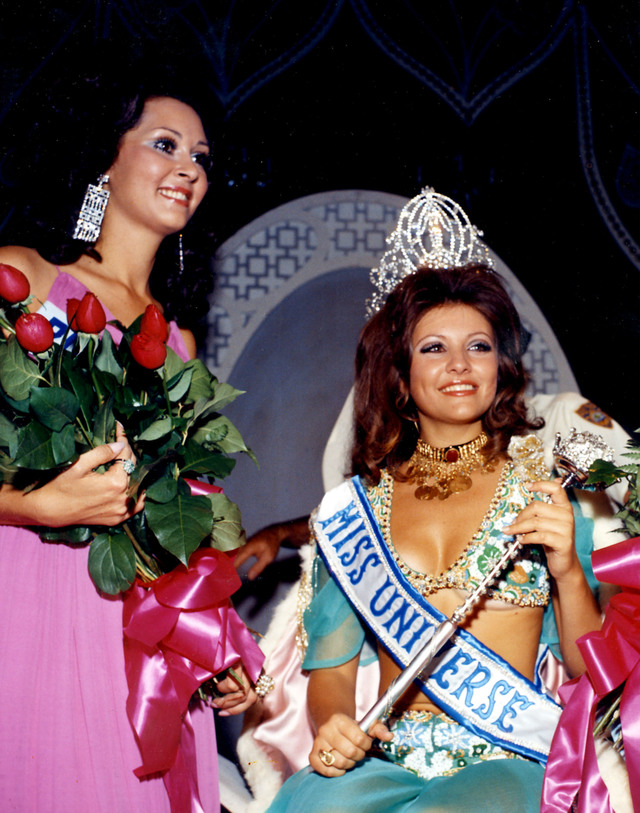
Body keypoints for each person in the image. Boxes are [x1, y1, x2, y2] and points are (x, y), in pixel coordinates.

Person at [256, 235, 607, 811]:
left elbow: (583, 669)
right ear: (399, 373)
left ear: (503, 365)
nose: (460, 366)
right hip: (386, 759)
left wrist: (568, 569)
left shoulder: (545, 489)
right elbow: (332, 673)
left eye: (479, 346)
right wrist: (336, 727)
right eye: (434, 348)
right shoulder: (356, 510)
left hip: (506, 761)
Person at [0, 74, 260, 812]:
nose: (191, 168)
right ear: (104, 162)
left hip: (133, 628)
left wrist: (216, 643)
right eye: (165, 145)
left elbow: (186, 520)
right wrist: (34, 503)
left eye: (202, 157)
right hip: (29, 605)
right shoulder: (24, 280)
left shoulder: (178, 343)